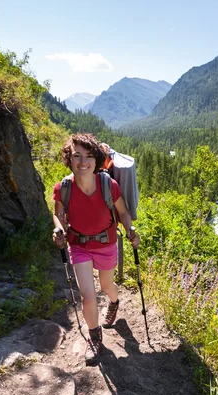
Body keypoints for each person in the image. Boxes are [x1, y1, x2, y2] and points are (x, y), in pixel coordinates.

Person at [51, 133, 140, 365]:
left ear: (96, 160)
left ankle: (114, 302)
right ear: (68, 159)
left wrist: (130, 230)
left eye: (89, 156)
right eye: (77, 156)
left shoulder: (108, 184)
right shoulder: (63, 188)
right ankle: (94, 337)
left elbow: (123, 212)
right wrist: (59, 229)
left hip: (106, 243)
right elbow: (57, 213)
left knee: (107, 285)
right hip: (79, 245)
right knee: (87, 296)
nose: (83, 162)